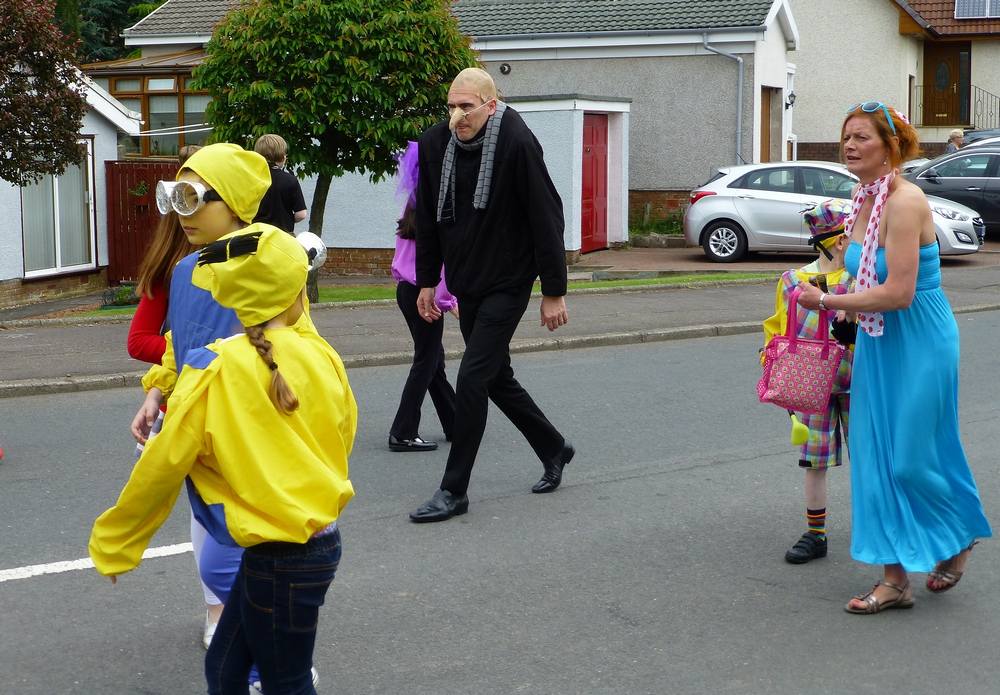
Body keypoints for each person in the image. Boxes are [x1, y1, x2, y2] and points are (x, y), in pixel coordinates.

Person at [91, 225, 356, 695]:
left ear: (231, 298)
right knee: (226, 668)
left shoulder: (212, 367)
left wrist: (118, 542)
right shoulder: (322, 354)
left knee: (286, 683)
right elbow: (343, 434)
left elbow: (161, 464)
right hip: (311, 545)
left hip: (280, 555)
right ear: (296, 291)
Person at [796, 101, 991, 614]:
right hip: (878, 342)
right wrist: (823, 273)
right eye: (847, 137)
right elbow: (855, 268)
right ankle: (893, 580)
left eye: (861, 137)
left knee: (910, 457)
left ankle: (956, 534)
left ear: (890, 147)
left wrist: (830, 301)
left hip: (921, 338)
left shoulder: (906, 201)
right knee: (876, 459)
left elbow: (899, 292)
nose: (850, 146)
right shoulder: (863, 198)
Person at [409, 67, 573, 523]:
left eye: (466, 107)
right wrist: (428, 281)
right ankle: (555, 447)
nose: (456, 116)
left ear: (490, 104)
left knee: (473, 377)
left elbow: (546, 216)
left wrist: (553, 290)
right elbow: (427, 218)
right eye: (451, 106)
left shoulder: (517, 142)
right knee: (497, 376)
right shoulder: (435, 143)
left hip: (508, 280)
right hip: (467, 279)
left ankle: (453, 489)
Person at [762, 199, 855, 565]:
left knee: (867, 457)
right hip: (810, 385)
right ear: (838, 242)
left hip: (858, 380)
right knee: (813, 460)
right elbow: (776, 328)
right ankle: (816, 534)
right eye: (852, 238)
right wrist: (770, 364)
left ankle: (876, 526)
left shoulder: (858, 281)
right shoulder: (792, 282)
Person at [389, 140, 456, 452]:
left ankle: (455, 422)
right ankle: (403, 432)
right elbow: (436, 265)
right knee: (427, 361)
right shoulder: (434, 209)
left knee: (434, 359)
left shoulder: (414, 206)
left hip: (407, 290)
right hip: (423, 293)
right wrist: (450, 300)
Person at [252, 134, 307, 234]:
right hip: (283, 235)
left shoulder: (250, 178)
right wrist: (287, 219)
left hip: (255, 235)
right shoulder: (290, 180)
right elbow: (301, 214)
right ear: (282, 157)